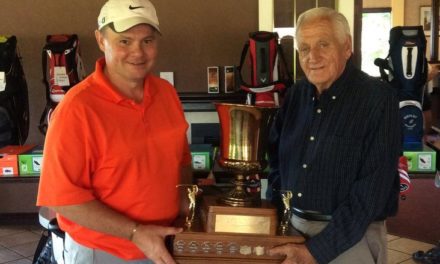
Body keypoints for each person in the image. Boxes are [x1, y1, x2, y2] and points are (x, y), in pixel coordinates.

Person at [37, 0, 192, 263]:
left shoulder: (166, 93)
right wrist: (135, 233)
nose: (138, 52)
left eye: (147, 41)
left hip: (164, 244)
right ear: (101, 40)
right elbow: (63, 199)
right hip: (105, 252)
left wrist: (187, 207)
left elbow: (181, 160)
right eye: (125, 41)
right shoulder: (77, 109)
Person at [267, 7, 401, 264]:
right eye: (304, 48)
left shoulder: (378, 99)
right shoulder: (296, 95)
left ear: (346, 46)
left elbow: (371, 192)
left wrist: (316, 251)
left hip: (351, 238)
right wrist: (278, 214)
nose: (312, 57)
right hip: (293, 231)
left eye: (323, 44)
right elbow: (276, 160)